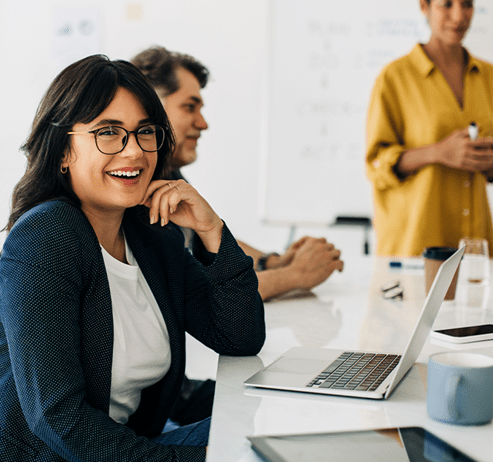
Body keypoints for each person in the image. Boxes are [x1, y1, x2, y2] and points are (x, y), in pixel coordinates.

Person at [0, 55, 265, 461]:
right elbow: (58, 417)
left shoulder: (153, 235)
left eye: (144, 132)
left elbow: (239, 337)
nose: (133, 151)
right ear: (63, 151)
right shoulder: (45, 236)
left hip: (117, 450)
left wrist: (212, 231)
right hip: (44, 456)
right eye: (109, 133)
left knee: (274, 430)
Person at [131, 47, 344, 302]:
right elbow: (198, 293)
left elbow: (207, 245)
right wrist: (296, 275)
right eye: (190, 107)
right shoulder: (133, 188)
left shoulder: (167, 173)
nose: (203, 123)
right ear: (150, 108)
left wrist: (273, 262)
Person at [366, 0, 493, 257]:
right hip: (414, 244)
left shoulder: (488, 76)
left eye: (467, 4)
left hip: (475, 245)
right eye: (446, 5)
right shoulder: (395, 77)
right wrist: (438, 152)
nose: (459, 16)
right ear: (424, 6)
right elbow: (376, 166)